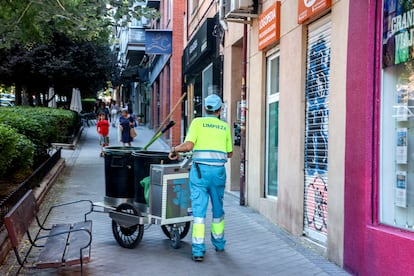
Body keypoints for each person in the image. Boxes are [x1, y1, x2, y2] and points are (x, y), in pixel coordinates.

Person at [169, 94, 233, 262]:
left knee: (199, 211)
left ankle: (198, 250)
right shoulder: (224, 127)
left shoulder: (197, 123)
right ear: (220, 110)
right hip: (218, 173)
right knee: (218, 209)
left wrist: (175, 149)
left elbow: (189, 146)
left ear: (205, 108)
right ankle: (219, 243)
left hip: (199, 173)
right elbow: (230, 153)